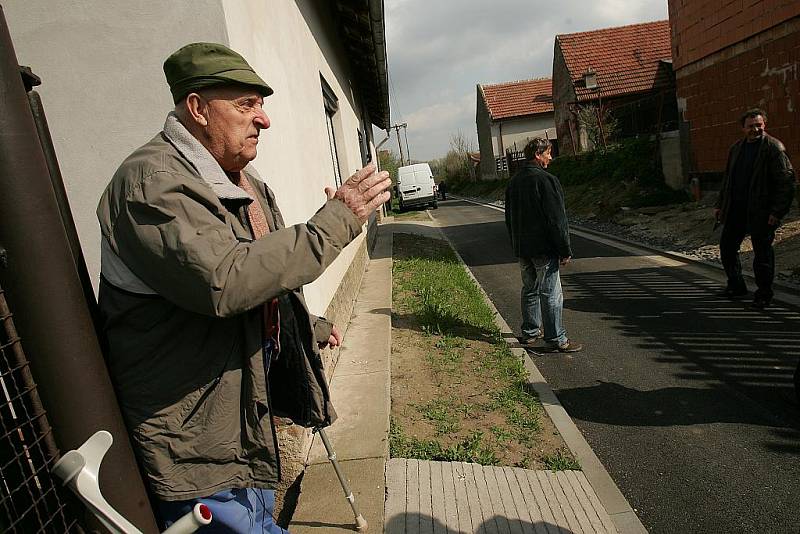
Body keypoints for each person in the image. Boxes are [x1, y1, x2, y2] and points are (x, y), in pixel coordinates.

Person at [95, 42, 390, 532]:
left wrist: (306, 326)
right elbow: (225, 280)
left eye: (262, 105)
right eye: (246, 105)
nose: (264, 120)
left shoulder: (241, 181)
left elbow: (263, 278)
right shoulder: (151, 184)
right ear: (197, 108)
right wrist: (337, 220)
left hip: (241, 413)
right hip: (193, 431)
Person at [505, 137, 582, 353]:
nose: (551, 157)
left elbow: (509, 217)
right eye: (548, 153)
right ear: (537, 155)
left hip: (523, 248)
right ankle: (556, 338)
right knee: (551, 293)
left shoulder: (514, 182)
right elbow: (557, 220)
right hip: (543, 249)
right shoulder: (546, 180)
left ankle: (530, 333)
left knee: (530, 289)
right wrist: (564, 249)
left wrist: (515, 244)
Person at [714, 108, 795, 309]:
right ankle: (736, 285)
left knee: (763, 256)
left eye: (759, 125)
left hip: (762, 212)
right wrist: (720, 205)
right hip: (736, 210)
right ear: (743, 128)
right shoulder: (736, 148)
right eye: (751, 126)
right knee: (727, 248)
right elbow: (728, 180)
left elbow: (786, 183)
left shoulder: (774, 148)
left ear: (764, 125)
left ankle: (763, 295)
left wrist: (777, 212)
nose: (755, 129)